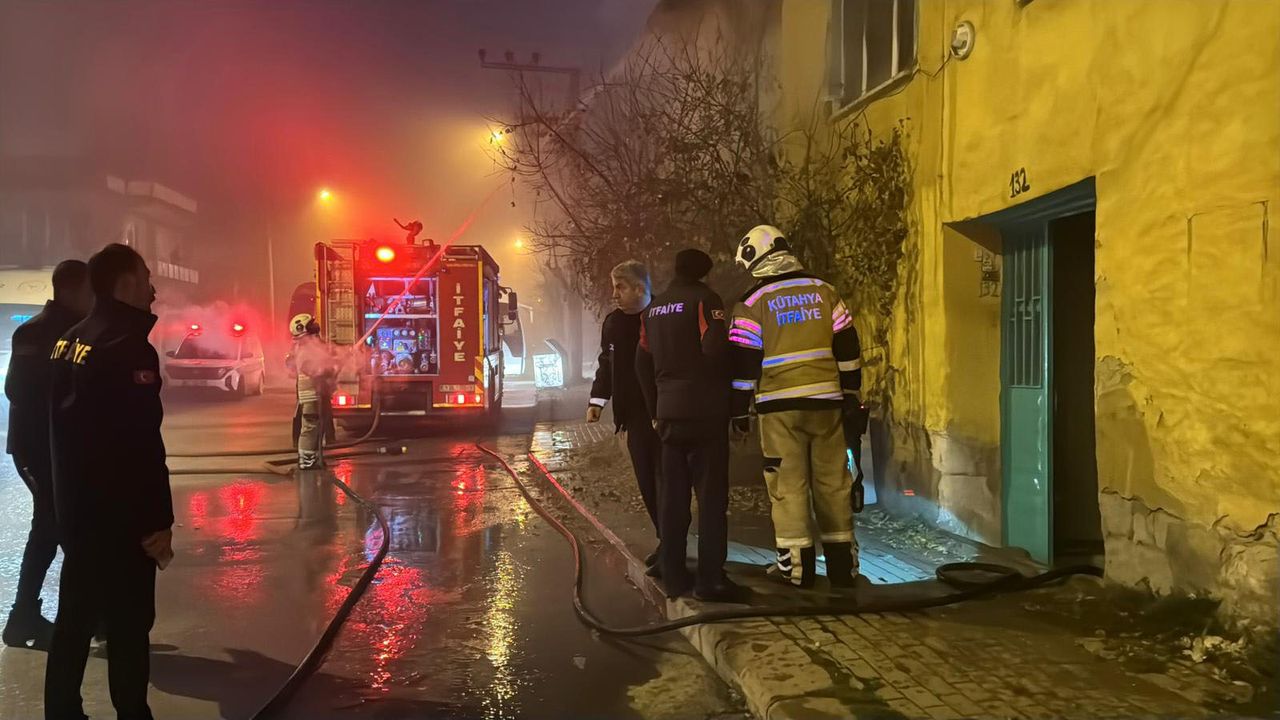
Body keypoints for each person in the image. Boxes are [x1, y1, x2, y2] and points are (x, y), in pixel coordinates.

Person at [46, 243, 173, 720]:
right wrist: (158, 520)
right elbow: (141, 445)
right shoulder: (128, 348)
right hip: (121, 520)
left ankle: (61, 711)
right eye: (146, 279)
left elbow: (58, 432)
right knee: (129, 626)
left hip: (77, 512)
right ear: (125, 284)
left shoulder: (69, 341)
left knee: (74, 621)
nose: (153, 290)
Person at [728, 225, 866, 589]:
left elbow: (743, 363)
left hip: (779, 409)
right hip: (827, 404)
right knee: (833, 483)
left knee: (787, 485)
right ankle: (843, 568)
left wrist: (739, 411)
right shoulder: (825, 291)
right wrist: (851, 393)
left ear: (755, 258)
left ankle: (797, 570)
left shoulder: (751, 303)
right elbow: (848, 347)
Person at [635, 249, 743, 602]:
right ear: (703, 272)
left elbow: (641, 362)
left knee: (673, 497)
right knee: (711, 498)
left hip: (668, 415)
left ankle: (673, 573)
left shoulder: (654, 309)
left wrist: (655, 408)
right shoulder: (705, 300)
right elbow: (715, 350)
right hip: (705, 413)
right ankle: (710, 579)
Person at [2, 261, 93, 650]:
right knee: (52, 526)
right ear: (71, 290)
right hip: (42, 449)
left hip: (48, 447)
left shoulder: (52, 329)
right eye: (89, 291)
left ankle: (74, 613)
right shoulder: (50, 333)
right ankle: (24, 617)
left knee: (61, 525)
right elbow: (20, 390)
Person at [587, 260, 662, 572]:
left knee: (668, 479)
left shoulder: (662, 315)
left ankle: (673, 542)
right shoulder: (614, 323)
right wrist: (597, 400)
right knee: (647, 480)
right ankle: (666, 538)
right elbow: (607, 363)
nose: (614, 294)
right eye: (613, 287)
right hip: (633, 414)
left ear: (640, 288)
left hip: (664, 412)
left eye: (620, 287)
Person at [287, 313, 334, 469]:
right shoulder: (304, 351)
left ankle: (313, 457)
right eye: (311, 325)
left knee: (317, 426)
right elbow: (312, 370)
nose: (315, 327)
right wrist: (326, 370)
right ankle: (306, 461)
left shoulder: (307, 348)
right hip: (310, 396)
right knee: (310, 427)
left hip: (315, 395)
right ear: (303, 329)